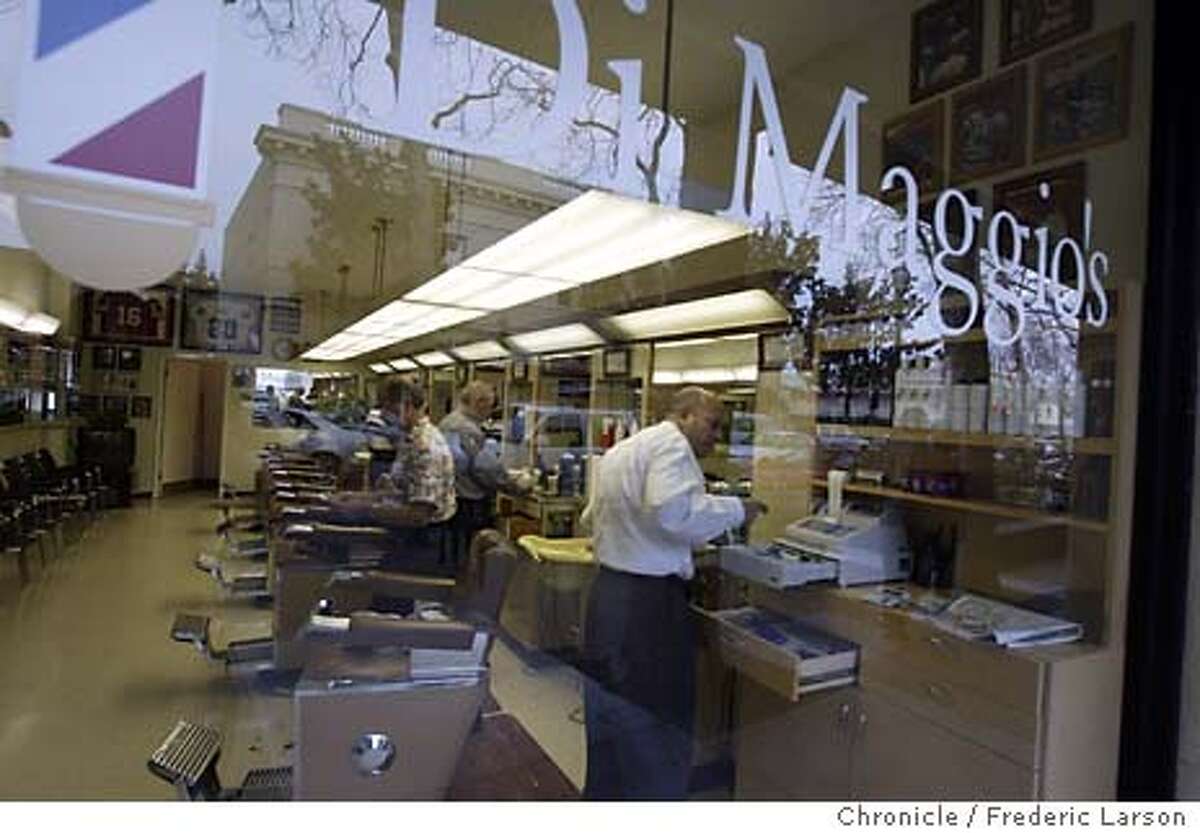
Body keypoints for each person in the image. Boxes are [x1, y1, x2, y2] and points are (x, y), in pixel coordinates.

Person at [580, 386, 766, 800]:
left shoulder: (625, 450)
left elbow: (593, 515)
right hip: (647, 609)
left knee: (608, 729)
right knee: (655, 729)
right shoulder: (673, 446)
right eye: (712, 424)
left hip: (607, 598)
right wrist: (738, 509)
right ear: (683, 415)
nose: (715, 437)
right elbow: (669, 511)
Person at [328, 378, 456, 570]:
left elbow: (418, 515)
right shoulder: (409, 439)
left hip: (419, 541)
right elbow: (402, 493)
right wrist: (360, 498)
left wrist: (366, 509)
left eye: (394, 412)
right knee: (336, 516)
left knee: (341, 524)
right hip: (404, 532)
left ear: (409, 407)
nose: (389, 418)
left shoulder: (427, 448)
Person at [438, 381, 525, 568]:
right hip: (470, 504)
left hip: (450, 499)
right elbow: (485, 469)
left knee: (453, 554)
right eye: (490, 406)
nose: (490, 412)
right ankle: (471, 591)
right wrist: (515, 486)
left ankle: (454, 586)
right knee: (474, 558)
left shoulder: (447, 422)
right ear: (480, 402)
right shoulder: (468, 429)